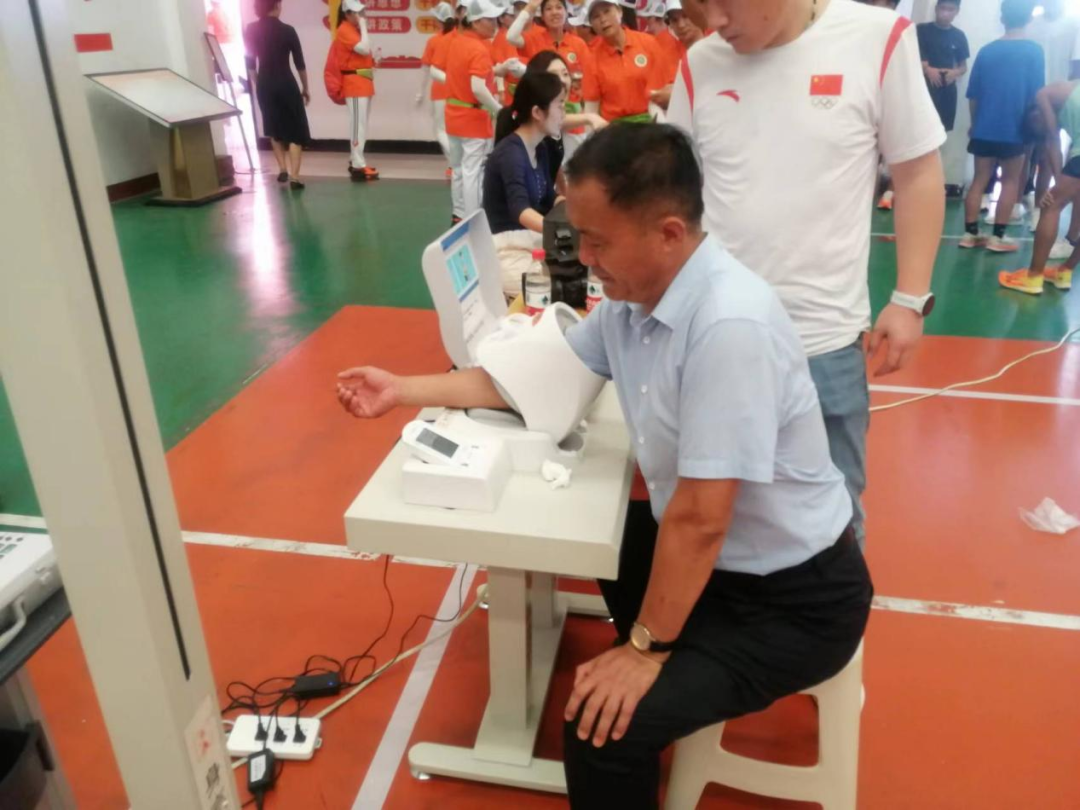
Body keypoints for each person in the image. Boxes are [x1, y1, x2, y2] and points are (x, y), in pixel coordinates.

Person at [334, 125, 873, 810]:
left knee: (597, 730)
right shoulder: (635, 304)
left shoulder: (728, 326)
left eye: (597, 241)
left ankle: (648, 683)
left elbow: (702, 520)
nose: (583, 257)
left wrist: (645, 649)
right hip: (733, 570)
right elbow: (528, 378)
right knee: (617, 535)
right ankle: (659, 669)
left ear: (669, 234)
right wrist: (402, 390)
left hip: (793, 604)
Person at [669, 0, 946, 549]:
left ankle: (832, 604)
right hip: (715, 342)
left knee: (831, 518)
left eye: (723, 3)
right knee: (714, 513)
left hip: (821, 343)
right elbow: (673, 187)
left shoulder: (877, 38)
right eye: (697, 6)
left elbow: (916, 173)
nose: (712, 22)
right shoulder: (701, 62)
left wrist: (910, 298)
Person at [961, 0, 1043, 253]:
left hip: (984, 128)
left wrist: (975, 123)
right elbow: (1037, 95)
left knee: (979, 180)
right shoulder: (1034, 51)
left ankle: (970, 234)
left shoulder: (987, 51)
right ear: (1029, 18)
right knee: (1010, 181)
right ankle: (998, 237)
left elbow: (973, 95)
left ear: (1002, 18)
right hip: (1015, 129)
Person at [483, 71, 567, 297]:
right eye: (559, 105)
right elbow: (520, 210)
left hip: (529, 243)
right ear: (537, 112)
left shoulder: (540, 147)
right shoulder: (511, 154)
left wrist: (572, 210)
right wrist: (564, 231)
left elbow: (548, 197)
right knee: (563, 285)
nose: (564, 113)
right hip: (506, 251)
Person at [999, 79, 1080, 294]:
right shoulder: (1067, 96)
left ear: (1034, 114)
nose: (1041, 129)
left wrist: (1058, 184)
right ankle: (1065, 271)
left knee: (1050, 205)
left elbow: (1052, 139)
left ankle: (1033, 277)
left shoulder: (1043, 95)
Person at [445, 0, 503, 223]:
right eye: (490, 20)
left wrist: (499, 69)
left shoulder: (458, 42)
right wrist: (499, 110)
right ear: (476, 22)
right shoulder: (479, 49)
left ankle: (459, 213)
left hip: (453, 115)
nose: (495, 24)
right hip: (473, 120)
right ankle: (474, 220)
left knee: (458, 169)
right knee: (473, 172)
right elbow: (478, 88)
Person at [1025, 0, 1079, 233]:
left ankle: (1045, 210)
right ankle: (1022, 204)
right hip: (1035, 96)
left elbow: (1075, 64)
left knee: (1048, 157)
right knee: (1026, 153)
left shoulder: (1074, 23)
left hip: (1061, 94)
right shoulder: (1031, 24)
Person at [245, 0, 311, 190]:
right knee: (296, 130)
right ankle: (295, 177)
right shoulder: (288, 30)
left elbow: (250, 64)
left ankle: (282, 168)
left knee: (273, 126)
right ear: (276, 6)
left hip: (265, 83)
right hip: (286, 83)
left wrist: (259, 84)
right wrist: (305, 88)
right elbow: (300, 63)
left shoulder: (251, 29)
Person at [583, 0, 666, 123]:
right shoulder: (592, 59)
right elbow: (591, 109)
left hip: (653, 122)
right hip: (616, 129)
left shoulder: (648, 43)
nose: (603, 19)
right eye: (596, 16)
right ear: (591, 25)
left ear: (620, 12)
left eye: (607, 11)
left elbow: (664, 88)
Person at [336, 0, 380, 181]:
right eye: (356, 13)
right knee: (357, 126)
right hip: (354, 85)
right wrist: (363, 25)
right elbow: (364, 48)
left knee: (361, 126)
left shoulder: (353, 30)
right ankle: (358, 165)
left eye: (361, 12)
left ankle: (356, 159)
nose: (360, 15)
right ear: (347, 14)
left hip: (362, 83)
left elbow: (365, 52)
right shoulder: (344, 29)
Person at [418, 2, 458, 172]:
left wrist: (420, 92)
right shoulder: (460, 39)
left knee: (441, 130)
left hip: (440, 91)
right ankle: (454, 164)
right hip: (458, 92)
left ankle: (455, 163)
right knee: (455, 131)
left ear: (438, 21)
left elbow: (426, 69)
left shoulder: (434, 41)